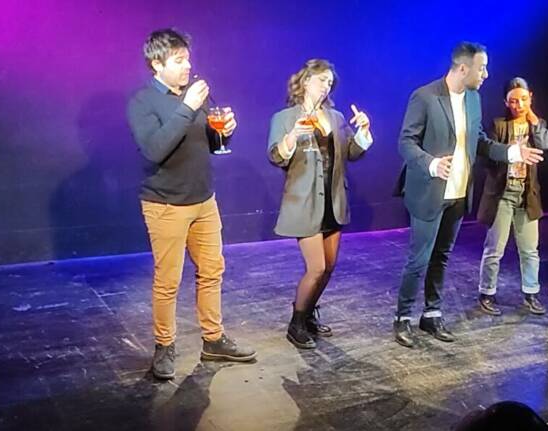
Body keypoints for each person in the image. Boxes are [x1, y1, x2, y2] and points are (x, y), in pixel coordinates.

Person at [393, 42, 545, 347]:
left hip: (460, 193)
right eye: (482, 68)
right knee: (419, 259)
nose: (486, 74)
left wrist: (512, 152)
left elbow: (479, 141)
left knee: (442, 256)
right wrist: (432, 164)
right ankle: (403, 317)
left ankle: (432, 314)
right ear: (463, 68)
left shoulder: (473, 99)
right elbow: (406, 143)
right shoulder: (425, 96)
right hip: (429, 192)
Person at [126, 28, 256, 380]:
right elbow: (155, 149)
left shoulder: (195, 95)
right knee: (168, 280)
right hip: (166, 204)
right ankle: (164, 346)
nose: (188, 66)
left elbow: (209, 143)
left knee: (212, 271)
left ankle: (213, 340)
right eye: (179, 60)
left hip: (204, 200)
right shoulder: (142, 102)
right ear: (157, 64)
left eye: (187, 59)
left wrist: (224, 131)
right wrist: (187, 108)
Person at [267, 59, 373, 349]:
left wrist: (363, 132)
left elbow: (351, 152)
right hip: (305, 202)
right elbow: (275, 156)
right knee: (316, 267)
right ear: (305, 82)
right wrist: (292, 137)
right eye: (321, 80)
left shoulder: (335, 117)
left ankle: (308, 314)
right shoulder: (285, 117)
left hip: (333, 199)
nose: (326, 86)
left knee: (328, 268)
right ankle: (296, 323)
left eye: (330, 82)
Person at [475, 77, 548, 316]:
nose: (518, 105)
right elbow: (487, 155)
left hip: (527, 195)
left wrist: (534, 118)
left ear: (531, 98)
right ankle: (486, 293)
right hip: (502, 193)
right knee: (494, 249)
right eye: (513, 101)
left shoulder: (536, 125)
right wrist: (510, 153)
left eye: (523, 99)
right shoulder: (499, 125)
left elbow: (546, 144)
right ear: (506, 102)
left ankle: (531, 293)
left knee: (530, 249)